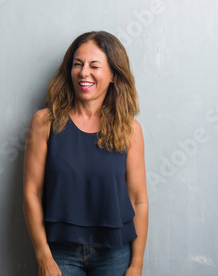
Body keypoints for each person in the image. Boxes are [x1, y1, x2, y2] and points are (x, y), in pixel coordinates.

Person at [23, 31, 148, 276]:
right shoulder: (44, 122)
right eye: (78, 64)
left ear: (113, 74)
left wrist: (137, 265)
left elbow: (138, 200)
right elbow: (32, 193)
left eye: (94, 66)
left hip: (114, 253)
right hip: (59, 253)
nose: (84, 73)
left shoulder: (129, 129)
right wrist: (43, 256)